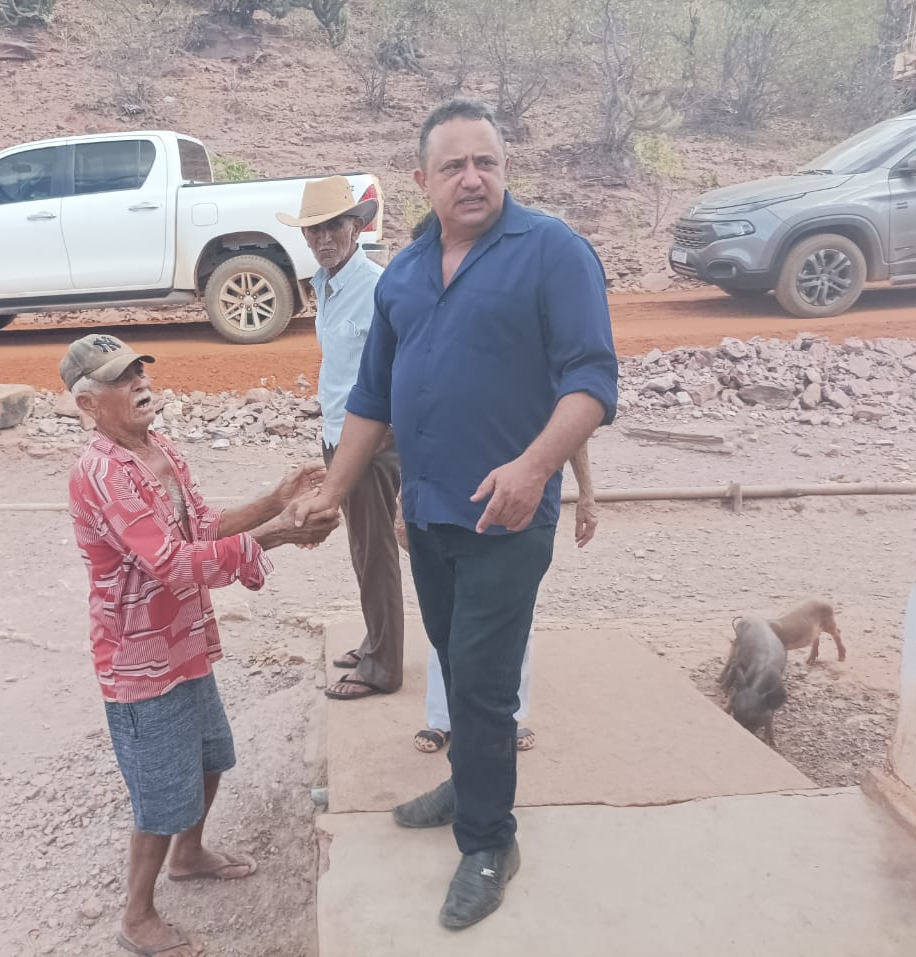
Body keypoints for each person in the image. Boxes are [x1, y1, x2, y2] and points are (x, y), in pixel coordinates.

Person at [296, 98, 619, 929]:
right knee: (450, 652)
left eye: (487, 162)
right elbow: (372, 397)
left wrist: (538, 465)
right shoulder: (403, 273)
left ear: (505, 169)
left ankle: (488, 837)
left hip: (510, 518)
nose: (472, 178)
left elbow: (592, 380)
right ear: (421, 181)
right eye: (454, 166)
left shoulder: (552, 252)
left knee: (479, 674)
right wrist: (335, 491)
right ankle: (472, 776)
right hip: (430, 512)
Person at [62, 333, 338, 957]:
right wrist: (278, 534)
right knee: (161, 791)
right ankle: (136, 915)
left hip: (182, 640)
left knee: (211, 756)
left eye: (138, 371)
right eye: (120, 378)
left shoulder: (158, 450)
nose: (138, 384)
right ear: (87, 405)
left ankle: (188, 856)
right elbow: (169, 562)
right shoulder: (102, 473)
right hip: (139, 658)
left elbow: (202, 529)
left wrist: (276, 498)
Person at [276, 176, 404, 702]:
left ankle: (384, 666)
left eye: (334, 225)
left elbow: (398, 371)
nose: (324, 237)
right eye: (314, 229)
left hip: (369, 440)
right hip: (339, 433)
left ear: (356, 226)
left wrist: (375, 441)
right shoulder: (323, 284)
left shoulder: (376, 288)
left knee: (376, 550)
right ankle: (378, 641)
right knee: (361, 546)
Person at [414, 445, 599, 754]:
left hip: (522, 510)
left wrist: (587, 494)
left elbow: (575, 430)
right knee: (447, 618)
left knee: (514, 622)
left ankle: (508, 717)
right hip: (449, 502)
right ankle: (444, 717)